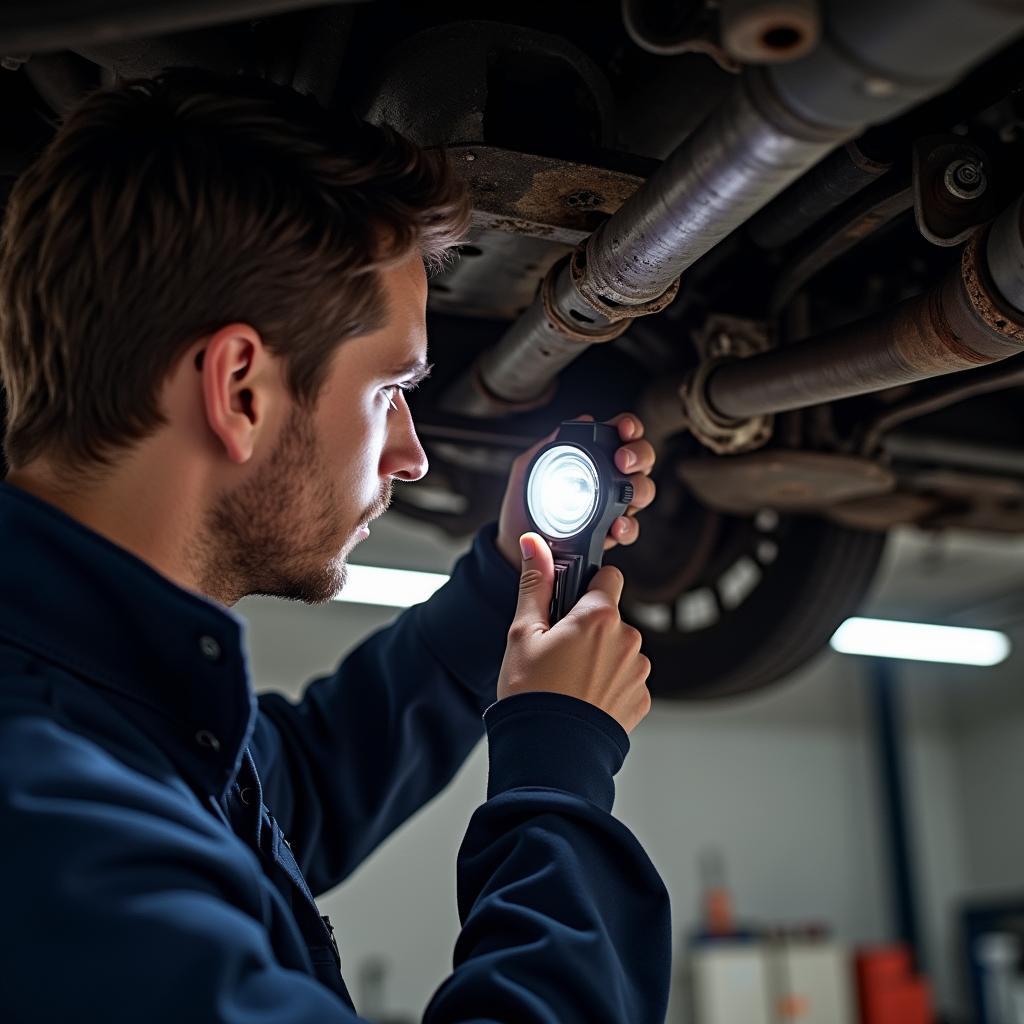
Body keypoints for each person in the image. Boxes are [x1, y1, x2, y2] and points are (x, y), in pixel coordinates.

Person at [0, 71, 671, 1023]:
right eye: (388, 390)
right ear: (239, 390)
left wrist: (499, 580)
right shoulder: (49, 829)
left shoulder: (105, 709)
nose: (410, 453)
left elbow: (305, 781)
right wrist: (557, 767)